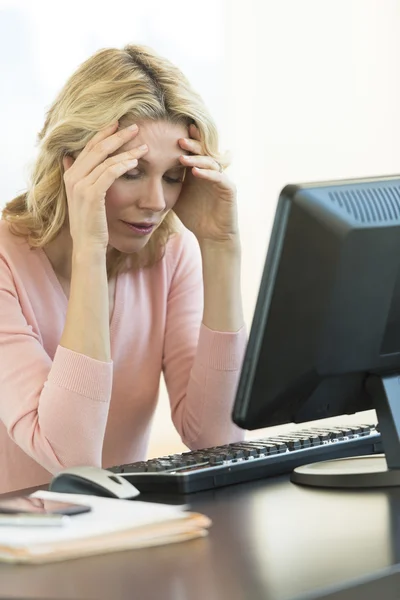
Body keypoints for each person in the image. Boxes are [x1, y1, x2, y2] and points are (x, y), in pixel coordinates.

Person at [0, 44, 247, 494]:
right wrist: (89, 249)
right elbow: (70, 461)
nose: (155, 202)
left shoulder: (170, 255)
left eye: (172, 177)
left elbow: (219, 442)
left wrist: (221, 248)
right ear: (71, 164)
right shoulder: (5, 263)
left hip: (122, 535)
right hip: (19, 550)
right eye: (132, 171)